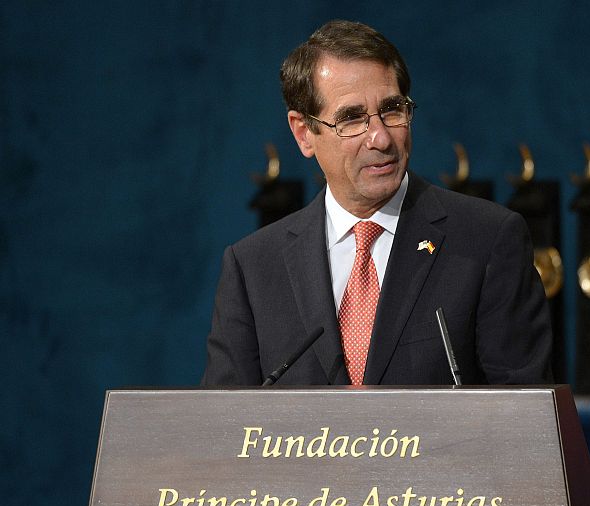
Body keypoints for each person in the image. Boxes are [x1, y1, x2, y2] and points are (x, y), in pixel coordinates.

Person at [202, 20, 552, 386]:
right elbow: (222, 430)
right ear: (304, 133)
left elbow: (524, 417)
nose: (381, 138)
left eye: (392, 110)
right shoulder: (253, 268)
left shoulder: (486, 240)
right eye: (351, 119)